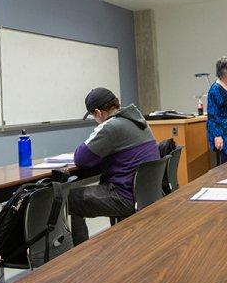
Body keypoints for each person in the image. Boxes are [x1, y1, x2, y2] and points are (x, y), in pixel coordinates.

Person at [68, 87, 159, 245]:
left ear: (99, 112)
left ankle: (78, 255)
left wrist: (98, 130)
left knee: (70, 199)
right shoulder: (137, 120)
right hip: (145, 194)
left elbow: (80, 159)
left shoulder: (110, 127)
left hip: (124, 196)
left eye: (93, 116)